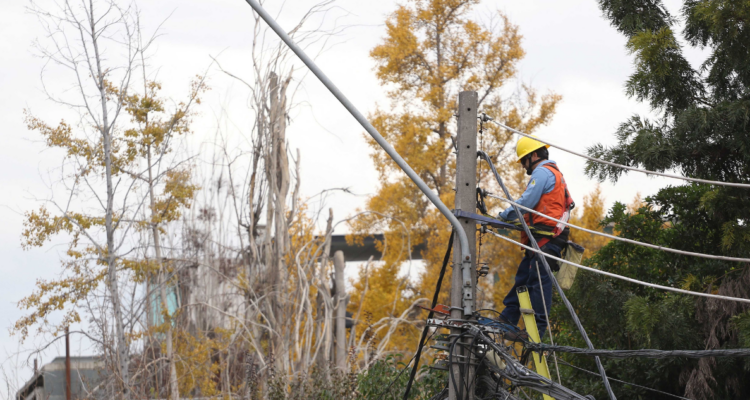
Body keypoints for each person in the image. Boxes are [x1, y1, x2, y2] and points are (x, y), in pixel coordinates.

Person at [497, 135, 573, 337]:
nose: (523, 166)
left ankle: (538, 329)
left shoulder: (542, 173)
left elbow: (526, 202)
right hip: (541, 238)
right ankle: (508, 318)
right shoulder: (554, 173)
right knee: (523, 277)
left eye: (524, 160)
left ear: (534, 155)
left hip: (548, 237)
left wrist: (503, 216)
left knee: (539, 281)